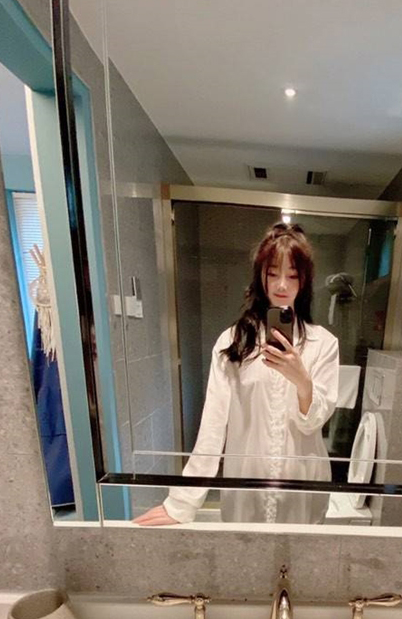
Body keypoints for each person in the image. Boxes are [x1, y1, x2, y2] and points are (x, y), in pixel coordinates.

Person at [134, 222, 339, 525]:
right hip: (246, 483)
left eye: (292, 275)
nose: (282, 285)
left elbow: (313, 423)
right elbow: (213, 423)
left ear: (305, 280)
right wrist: (181, 503)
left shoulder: (324, 344)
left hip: (303, 483)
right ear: (260, 276)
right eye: (273, 273)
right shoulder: (233, 342)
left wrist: (302, 381)